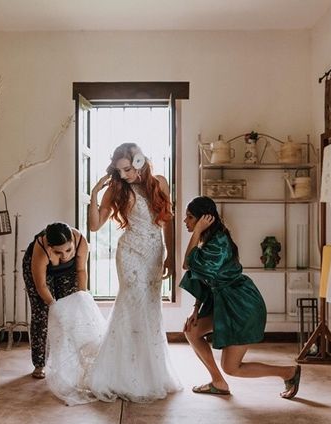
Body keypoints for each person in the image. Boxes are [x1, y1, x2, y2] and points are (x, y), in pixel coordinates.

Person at [179, 196, 301, 399]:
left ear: (203, 219)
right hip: (224, 302)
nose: (185, 222)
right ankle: (218, 382)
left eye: (190, 217)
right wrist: (195, 310)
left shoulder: (218, 241)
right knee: (191, 331)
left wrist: (198, 230)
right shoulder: (209, 240)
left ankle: (289, 372)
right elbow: (205, 279)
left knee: (232, 368)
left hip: (241, 305)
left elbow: (187, 263)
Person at [86, 142, 181, 402]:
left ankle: (150, 372)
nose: (125, 175)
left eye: (127, 169)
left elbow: (168, 222)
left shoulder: (159, 182)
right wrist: (94, 194)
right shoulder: (117, 188)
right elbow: (94, 226)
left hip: (153, 251)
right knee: (130, 304)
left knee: (150, 308)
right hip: (129, 252)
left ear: (139, 160)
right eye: (120, 171)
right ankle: (121, 374)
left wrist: (171, 257)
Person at [22, 222, 89, 379]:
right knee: (42, 313)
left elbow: (81, 270)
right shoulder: (41, 248)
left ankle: (69, 358)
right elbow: (41, 285)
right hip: (40, 276)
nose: (65, 256)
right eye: (58, 252)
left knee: (71, 310)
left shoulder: (81, 241)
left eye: (68, 250)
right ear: (50, 246)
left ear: (73, 241)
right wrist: (54, 306)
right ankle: (39, 364)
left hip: (69, 271)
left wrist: (81, 296)